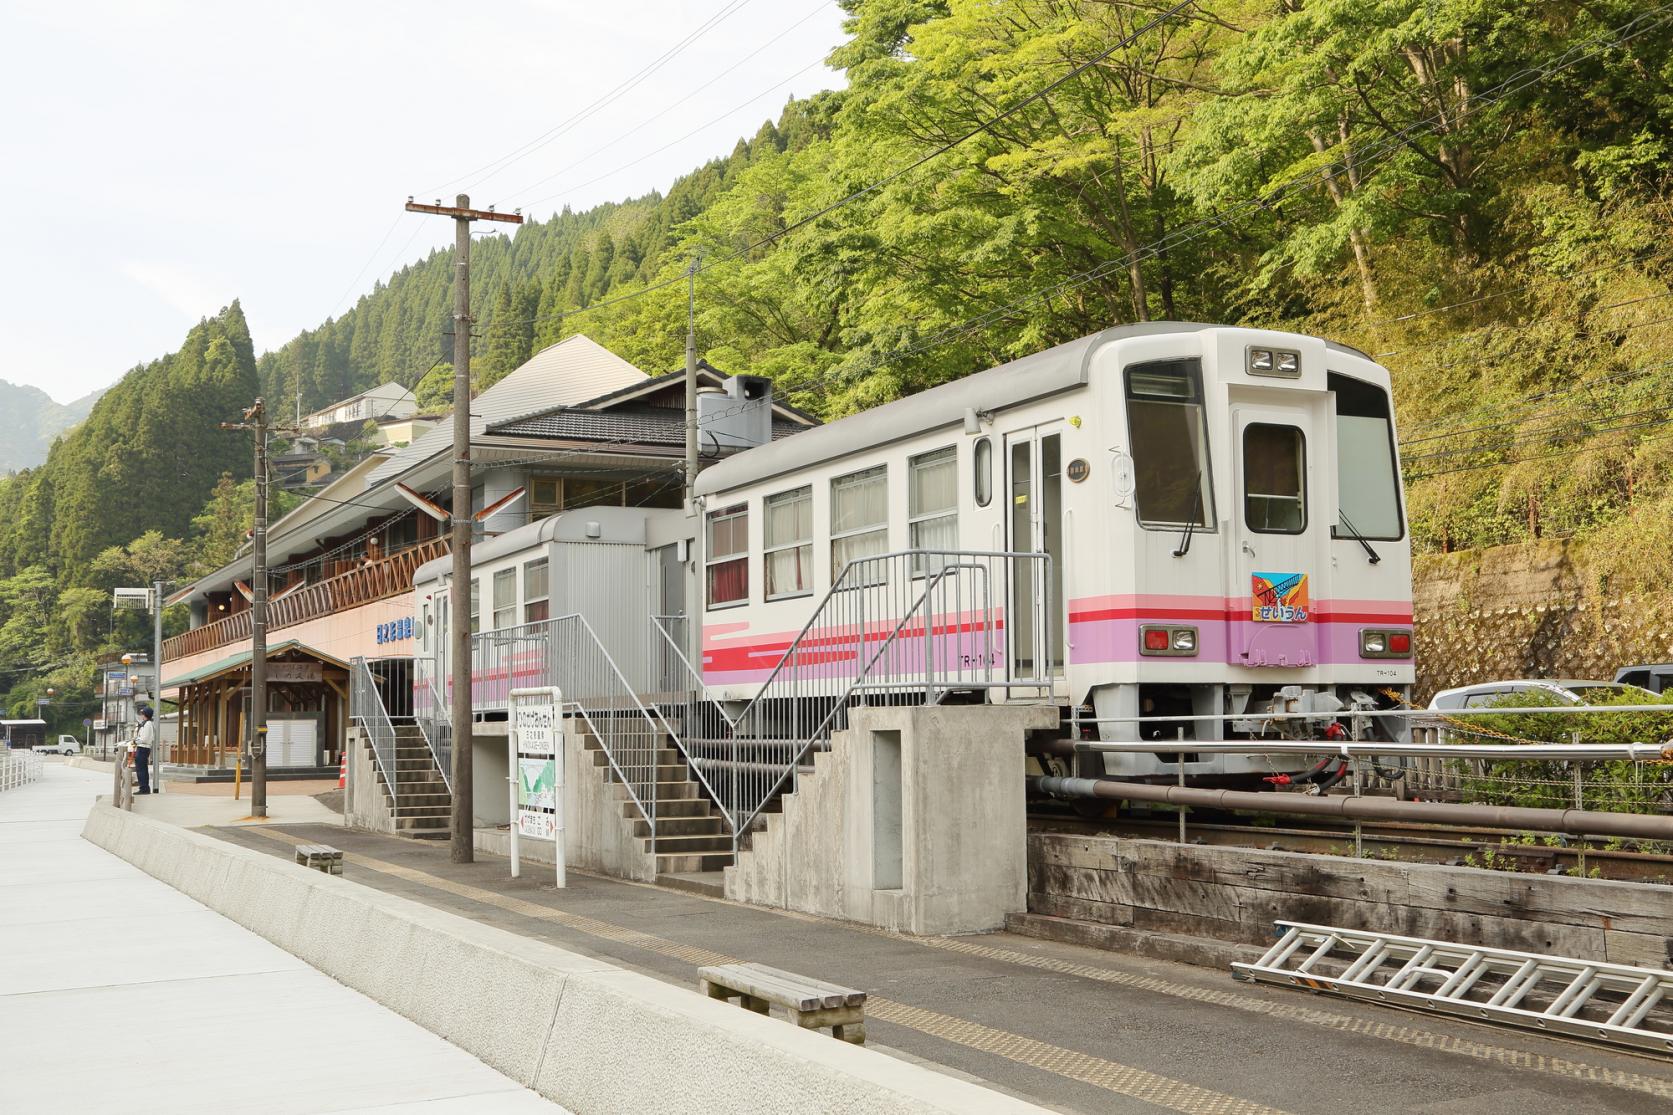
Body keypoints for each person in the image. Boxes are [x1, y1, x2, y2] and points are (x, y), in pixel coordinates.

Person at [133, 705, 157, 795]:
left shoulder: (147, 724)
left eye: (142, 713)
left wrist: (135, 740)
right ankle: (144, 788)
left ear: (145, 715)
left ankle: (144, 788)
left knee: (141, 769)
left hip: (143, 748)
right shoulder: (146, 724)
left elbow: (145, 739)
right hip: (142, 748)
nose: (141, 715)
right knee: (141, 769)